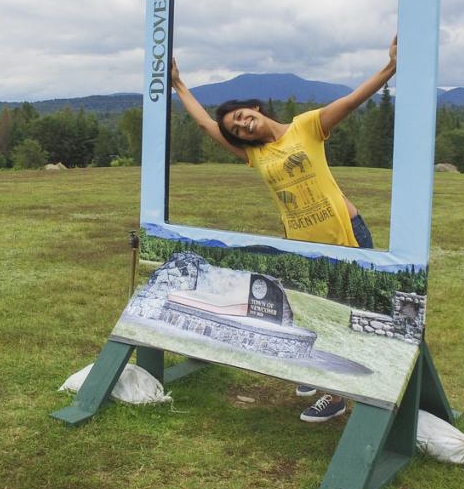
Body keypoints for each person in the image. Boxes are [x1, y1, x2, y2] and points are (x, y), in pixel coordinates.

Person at [169, 36, 397, 422]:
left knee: (349, 314)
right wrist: (178, 84)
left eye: (240, 117)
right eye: (236, 130)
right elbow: (208, 125)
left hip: (347, 235)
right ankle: (327, 379)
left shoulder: (306, 127)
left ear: (253, 108)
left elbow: (352, 101)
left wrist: (391, 67)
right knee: (315, 314)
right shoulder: (256, 155)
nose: (241, 127)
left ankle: (338, 395)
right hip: (302, 243)